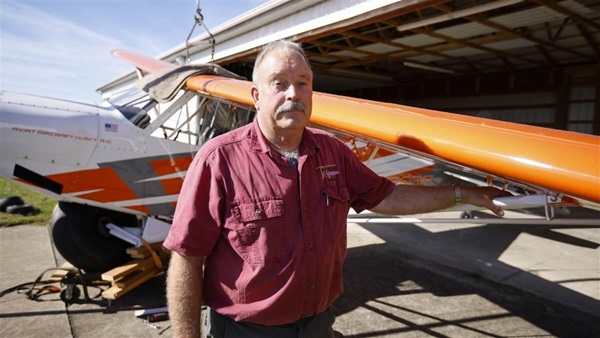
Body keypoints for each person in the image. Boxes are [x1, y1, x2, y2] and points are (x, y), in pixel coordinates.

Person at [163, 40, 511, 338]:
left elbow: (386, 195)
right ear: (256, 95)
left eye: (302, 83)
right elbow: (186, 259)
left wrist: (464, 193)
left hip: (319, 324)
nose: (292, 94)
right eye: (279, 83)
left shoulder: (332, 152)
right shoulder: (218, 159)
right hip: (248, 330)